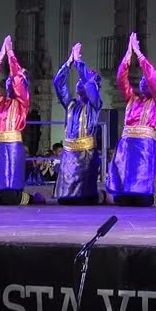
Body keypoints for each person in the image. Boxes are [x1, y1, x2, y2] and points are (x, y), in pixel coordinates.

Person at [107, 32, 156, 206]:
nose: (144, 81)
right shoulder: (132, 99)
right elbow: (122, 80)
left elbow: (153, 81)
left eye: (148, 80)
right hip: (126, 146)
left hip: (143, 147)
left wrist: (140, 55)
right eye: (142, 79)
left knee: (140, 197)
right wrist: (129, 54)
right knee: (122, 198)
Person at [0, 35, 42, 205]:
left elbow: (16, 79)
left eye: (16, 80)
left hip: (12, 149)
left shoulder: (22, 102)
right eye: (8, 80)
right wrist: (1, 54)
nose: (10, 81)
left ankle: (32, 199)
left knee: (9, 198)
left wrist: (11, 54)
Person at [52, 42, 103, 205]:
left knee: (84, 199)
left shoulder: (94, 104)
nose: (79, 83)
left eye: (82, 81)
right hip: (69, 155)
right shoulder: (71, 104)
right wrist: (69, 63)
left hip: (85, 155)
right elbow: (58, 85)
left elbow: (88, 84)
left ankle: (101, 196)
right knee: (65, 199)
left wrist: (79, 63)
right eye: (78, 81)